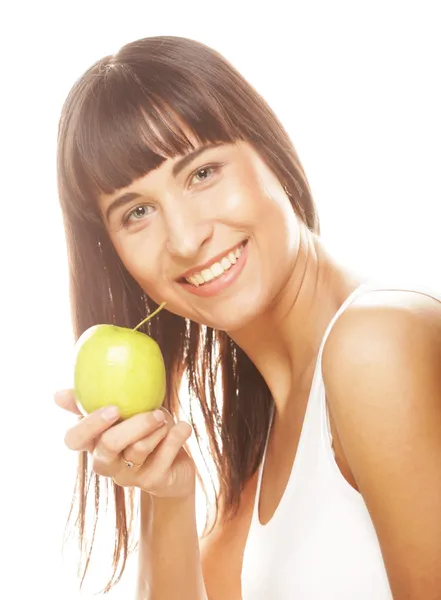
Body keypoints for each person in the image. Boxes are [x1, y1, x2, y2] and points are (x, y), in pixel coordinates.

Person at [54, 36, 441, 600]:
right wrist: (167, 496)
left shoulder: (375, 343)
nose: (186, 240)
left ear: (269, 151)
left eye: (202, 173)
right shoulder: (255, 453)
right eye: (137, 212)